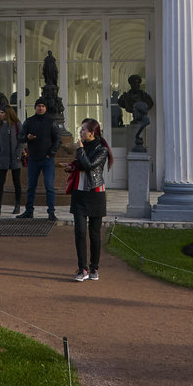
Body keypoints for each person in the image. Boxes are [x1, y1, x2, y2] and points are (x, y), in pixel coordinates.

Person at [64, 117, 112, 281]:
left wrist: (79, 150)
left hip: (95, 193)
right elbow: (81, 165)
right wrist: (70, 167)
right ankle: (82, 268)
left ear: (92, 133)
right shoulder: (82, 148)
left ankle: (94, 268)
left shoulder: (102, 149)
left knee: (94, 233)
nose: (81, 131)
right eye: (81, 129)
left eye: (84, 129)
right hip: (79, 194)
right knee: (80, 232)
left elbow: (89, 165)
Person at [17, 97, 61, 220]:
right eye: (38, 106)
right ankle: (29, 211)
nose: (40, 108)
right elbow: (20, 137)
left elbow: (58, 139)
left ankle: (51, 212)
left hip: (47, 160)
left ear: (46, 108)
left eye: (43, 106)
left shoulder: (51, 122)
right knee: (31, 186)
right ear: (35, 107)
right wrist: (27, 137)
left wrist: (50, 153)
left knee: (49, 186)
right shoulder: (29, 122)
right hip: (33, 159)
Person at [0, 104, 24, 214]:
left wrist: (18, 154)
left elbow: (21, 141)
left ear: (8, 113)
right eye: (0, 112)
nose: (1, 115)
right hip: (3, 158)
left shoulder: (17, 125)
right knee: (0, 182)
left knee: (16, 182)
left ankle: (17, 205)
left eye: (2, 112)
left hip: (15, 158)